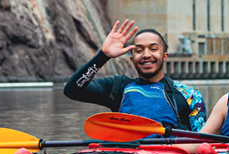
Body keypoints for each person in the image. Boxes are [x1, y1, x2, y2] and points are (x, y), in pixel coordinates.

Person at [63, 19, 206, 132]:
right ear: (132, 59)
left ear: (165, 56)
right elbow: (73, 91)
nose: (146, 55)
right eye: (139, 50)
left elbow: (201, 142)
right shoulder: (119, 87)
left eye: (153, 49)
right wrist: (103, 56)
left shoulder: (190, 95)